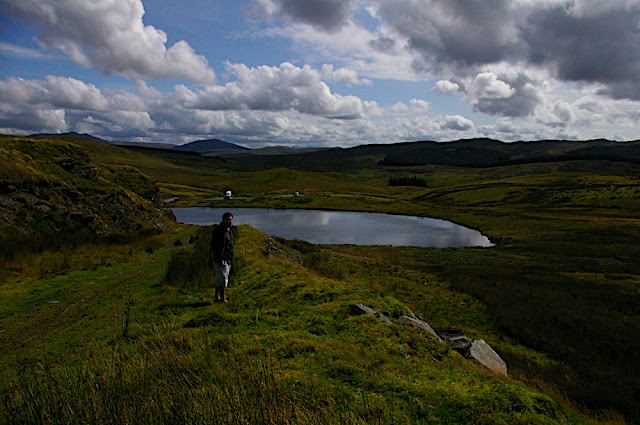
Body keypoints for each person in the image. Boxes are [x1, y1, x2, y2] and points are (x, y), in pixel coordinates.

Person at [209, 212, 234, 303]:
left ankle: (217, 297)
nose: (229, 221)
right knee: (223, 279)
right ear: (223, 219)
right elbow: (214, 245)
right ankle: (222, 298)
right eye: (227, 219)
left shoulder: (229, 230)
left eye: (230, 219)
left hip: (227, 257)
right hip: (220, 258)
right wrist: (216, 257)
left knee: (220, 278)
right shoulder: (218, 230)